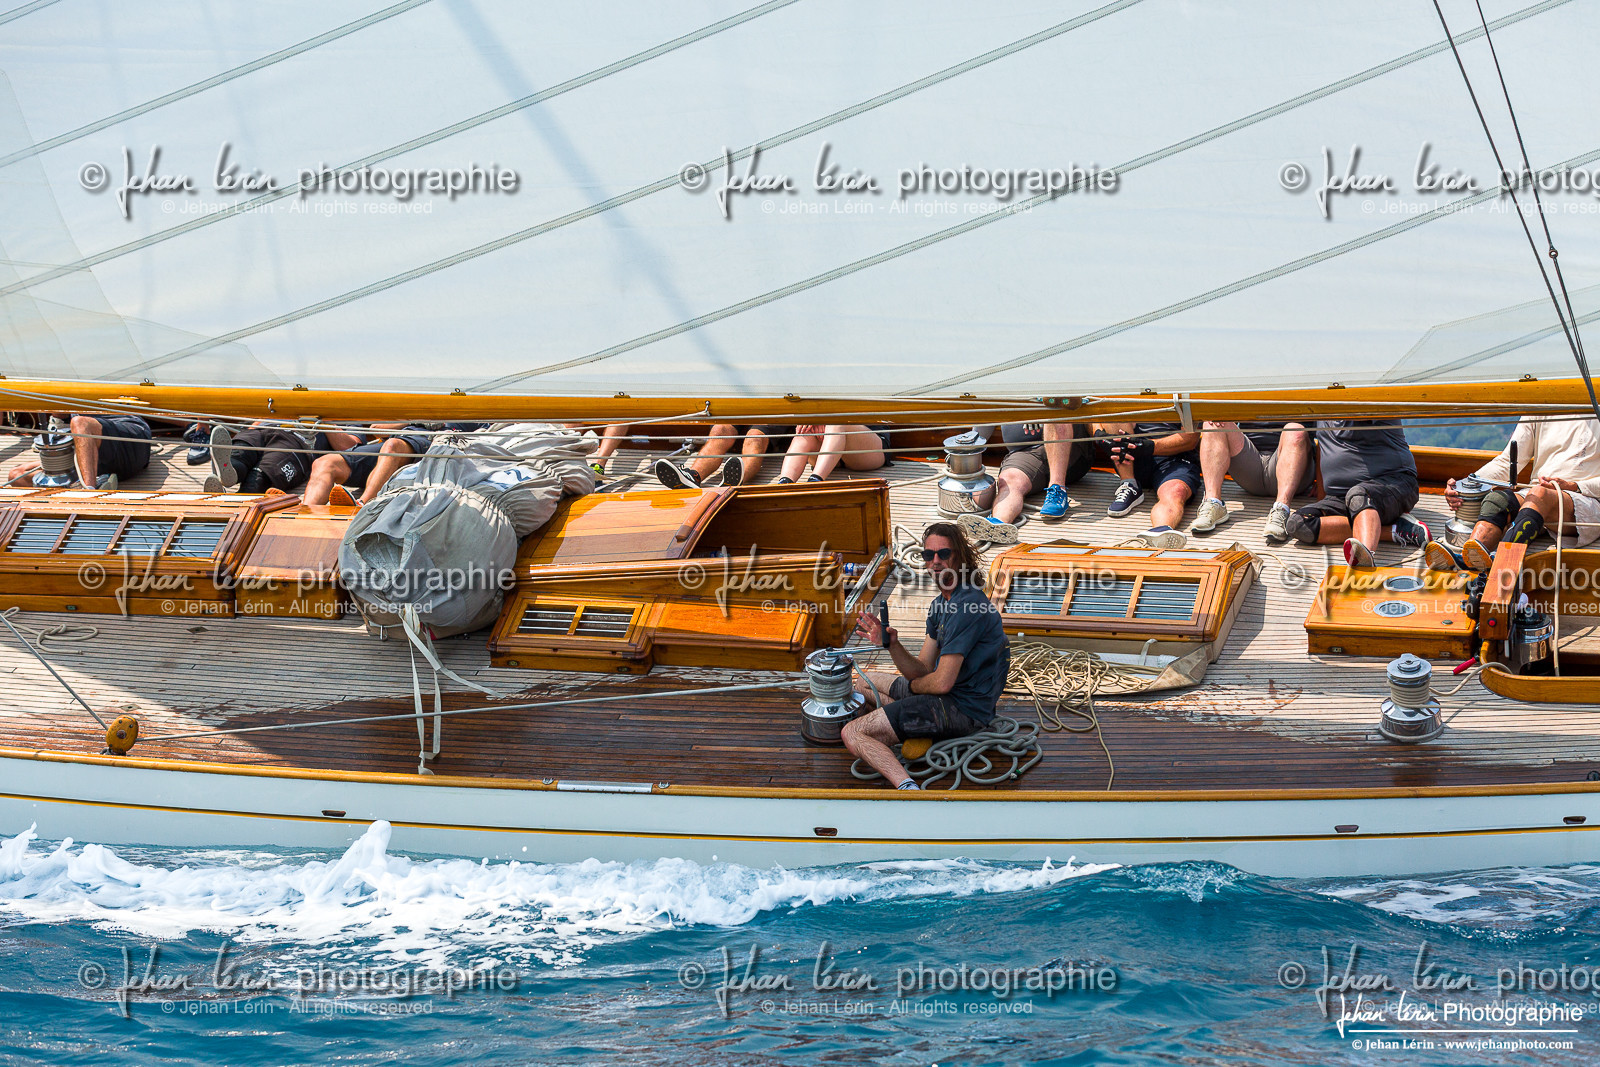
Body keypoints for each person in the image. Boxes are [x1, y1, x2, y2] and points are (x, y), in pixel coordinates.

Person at [842, 522, 1010, 790]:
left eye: (944, 554)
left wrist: (913, 690)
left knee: (852, 732)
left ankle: (908, 788)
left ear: (960, 557)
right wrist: (892, 645)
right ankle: (917, 727)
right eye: (927, 555)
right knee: (862, 682)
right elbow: (921, 669)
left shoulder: (966, 605)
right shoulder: (940, 604)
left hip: (964, 710)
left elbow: (940, 683)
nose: (935, 561)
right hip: (944, 696)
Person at [1424, 414, 1600, 572]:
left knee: (1540, 494)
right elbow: (1507, 462)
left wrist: (1574, 485)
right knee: (1496, 500)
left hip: (1586, 500)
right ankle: (1469, 557)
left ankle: (1502, 560)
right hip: (1537, 496)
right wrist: (1467, 485)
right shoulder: (1546, 401)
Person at [1284, 419, 1429, 568]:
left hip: (1394, 484)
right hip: (1341, 497)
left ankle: (1363, 565)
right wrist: (1322, 498)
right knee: (1298, 524)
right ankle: (1395, 529)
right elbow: (1323, 445)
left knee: (1358, 496)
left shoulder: (1366, 402)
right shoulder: (1323, 409)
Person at [960, 422, 1091, 545]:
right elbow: (987, 414)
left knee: (1054, 402)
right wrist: (969, 449)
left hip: (1069, 447)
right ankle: (996, 524)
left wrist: (1040, 409)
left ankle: (1057, 488)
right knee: (1010, 479)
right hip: (1026, 452)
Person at [1192, 421, 1315, 541]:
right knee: (1213, 423)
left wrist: (1322, 482)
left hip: (1295, 469)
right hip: (1251, 464)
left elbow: (1325, 433)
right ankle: (1213, 502)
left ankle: (1282, 509)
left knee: (1294, 430)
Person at [1094, 421, 1203, 548]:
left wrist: (1148, 446)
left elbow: (1190, 439)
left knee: (1176, 490)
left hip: (1174, 457)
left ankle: (1160, 532)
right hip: (1129, 455)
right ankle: (1129, 482)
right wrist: (1098, 435)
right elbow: (1092, 417)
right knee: (1113, 410)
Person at [203, 422, 368, 494]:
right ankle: (228, 469)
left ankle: (229, 499)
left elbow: (350, 446)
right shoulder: (289, 394)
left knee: (260, 477)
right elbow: (257, 422)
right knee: (242, 451)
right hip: (263, 431)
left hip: (298, 443)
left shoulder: (349, 411)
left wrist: (326, 421)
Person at [6, 412, 152, 490]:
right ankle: (97, 481)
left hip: (131, 442)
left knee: (80, 423)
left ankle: (88, 490)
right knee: (17, 475)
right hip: (91, 455)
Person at [653, 424, 789, 488]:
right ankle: (692, 476)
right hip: (742, 399)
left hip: (774, 402)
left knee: (755, 437)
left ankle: (737, 479)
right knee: (720, 430)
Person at [776, 424, 886, 483]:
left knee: (837, 423)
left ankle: (815, 482)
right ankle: (784, 483)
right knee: (805, 430)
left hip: (867, 449)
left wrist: (823, 419)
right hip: (825, 451)